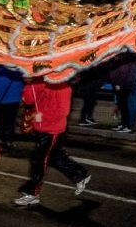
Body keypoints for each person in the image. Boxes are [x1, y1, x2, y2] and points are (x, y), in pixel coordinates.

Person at [14, 79, 91, 207]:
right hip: (40, 128)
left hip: (53, 130)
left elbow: (63, 112)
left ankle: (32, 193)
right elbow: (28, 100)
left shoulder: (64, 88)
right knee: (55, 158)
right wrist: (29, 84)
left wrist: (43, 116)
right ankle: (80, 175)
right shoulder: (37, 83)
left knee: (39, 161)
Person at [0, 66, 25, 149]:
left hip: (1, 100)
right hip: (14, 101)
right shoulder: (20, 72)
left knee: (0, 121)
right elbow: (22, 86)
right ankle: (7, 140)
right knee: (10, 122)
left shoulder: (0, 71)